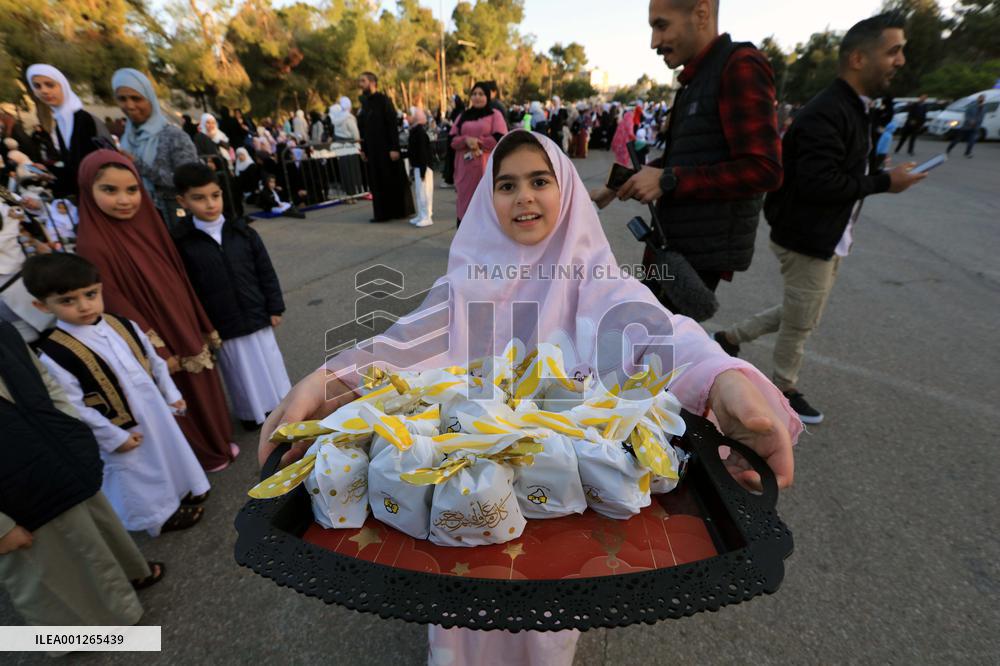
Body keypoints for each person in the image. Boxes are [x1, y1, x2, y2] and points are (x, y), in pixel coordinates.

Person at [257, 130, 800, 664]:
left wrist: (724, 381)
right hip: (465, 494)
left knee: (545, 628)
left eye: (540, 180)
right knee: (459, 619)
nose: (524, 197)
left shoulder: (596, 282)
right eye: (507, 184)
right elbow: (402, 347)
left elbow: (661, 334)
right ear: (487, 199)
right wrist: (326, 385)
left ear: (567, 190)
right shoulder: (466, 284)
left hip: (559, 509)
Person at [716, 12, 927, 425]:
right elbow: (819, 183)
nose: (901, 61)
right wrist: (885, 181)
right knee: (801, 323)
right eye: (893, 51)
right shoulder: (828, 110)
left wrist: (875, 172)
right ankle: (783, 390)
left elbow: (838, 170)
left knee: (802, 311)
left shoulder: (853, 107)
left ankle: (729, 337)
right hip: (806, 236)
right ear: (858, 58)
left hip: (828, 234)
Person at [613, 0, 783, 319]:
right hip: (672, 245)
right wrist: (617, 183)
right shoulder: (695, 81)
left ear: (701, 14)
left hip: (696, 256)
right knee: (643, 335)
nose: (654, 42)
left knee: (655, 341)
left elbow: (764, 169)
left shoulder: (740, 66)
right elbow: (686, 156)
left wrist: (668, 180)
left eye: (661, 26)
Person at [26, 253, 211, 535]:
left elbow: (155, 362)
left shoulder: (122, 324)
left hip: (154, 409)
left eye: (90, 294)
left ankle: (182, 489)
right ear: (42, 305)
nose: (84, 306)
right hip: (120, 428)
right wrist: (113, 437)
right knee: (137, 472)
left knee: (168, 450)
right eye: (67, 301)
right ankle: (157, 518)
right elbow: (72, 406)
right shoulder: (54, 353)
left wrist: (171, 394)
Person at [75, 150, 237, 471]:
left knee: (201, 377)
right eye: (109, 190)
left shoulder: (150, 222)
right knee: (175, 387)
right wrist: (155, 346)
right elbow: (114, 301)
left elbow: (177, 273)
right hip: (150, 329)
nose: (124, 200)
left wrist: (197, 317)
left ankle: (218, 441)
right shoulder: (91, 243)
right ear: (87, 191)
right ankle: (204, 453)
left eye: (132, 189)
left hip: (180, 315)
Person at [0, 320, 162, 635]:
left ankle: (124, 583)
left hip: (57, 456)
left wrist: (70, 426)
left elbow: (43, 380)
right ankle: (78, 630)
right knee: (53, 565)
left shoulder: (3, 330)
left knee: (93, 530)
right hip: (15, 495)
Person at [172, 162, 292, 430]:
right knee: (240, 372)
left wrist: (275, 307)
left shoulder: (242, 231)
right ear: (183, 201)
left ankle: (283, 405)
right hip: (223, 323)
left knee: (270, 363)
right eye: (199, 198)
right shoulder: (182, 242)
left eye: (215, 195)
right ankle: (252, 414)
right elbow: (188, 289)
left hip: (256, 313)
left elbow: (265, 271)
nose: (210, 204)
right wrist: (202, 326)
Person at [112, 68, 199, 236]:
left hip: (172, 222)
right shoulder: (127, 139)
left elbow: (189, 182)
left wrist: (139, 165)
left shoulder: (174, 136)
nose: (129, 105)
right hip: (138, 221)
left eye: (136, 98)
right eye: (122, 99)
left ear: (149, 98)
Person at [25, 64, 105, 199]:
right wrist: (49, 171)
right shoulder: (61, 121)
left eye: (50, 85)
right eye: (37, 86)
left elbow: (92, 167)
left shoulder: (83, 120)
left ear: (63, 86)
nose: (44, 91)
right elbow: (71, 167)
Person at [357, 72, 415, 222]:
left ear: (372, 83)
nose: (360, 84)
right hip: (373, 150)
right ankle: (382, 214)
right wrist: (364, 150)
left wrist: (394, 148)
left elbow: (391, 124)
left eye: (363, 81)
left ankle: (399, 211)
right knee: (377, 181)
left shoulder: (384, 100)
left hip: (386, 149)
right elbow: (363, 129)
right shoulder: (365, 103)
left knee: (391, 179)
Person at [450, 81, 507, 227]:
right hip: (464, 170)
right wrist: (466, 140)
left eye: (481, 94)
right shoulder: (463, 115)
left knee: (486, 205)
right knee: (465, 204)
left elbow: (500, 138)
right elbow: (452, 139)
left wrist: (479, 142)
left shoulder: (495, 115)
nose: (477, 97)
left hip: (486, 169)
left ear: (487, 96)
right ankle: (464, 238)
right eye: (474, 94)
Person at [328, 97, 364, 196]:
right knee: (352, 169)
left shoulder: (337, 118)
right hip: (350, 145)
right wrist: (358, 141)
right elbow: (355, 133)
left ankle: (348, 192)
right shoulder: (349, 118)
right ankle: (355, 192)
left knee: (344, 169)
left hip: (340, 145)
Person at [406, 107, 435, 228]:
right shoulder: (415, 131)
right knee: (419, 192)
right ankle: (421, 215)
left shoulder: (419, 133)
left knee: (424, 192)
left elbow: (423, 153)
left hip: (423, 167)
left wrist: (423, 171)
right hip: (419, 166)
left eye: (410, 115)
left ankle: (427, 216)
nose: (407, 117)